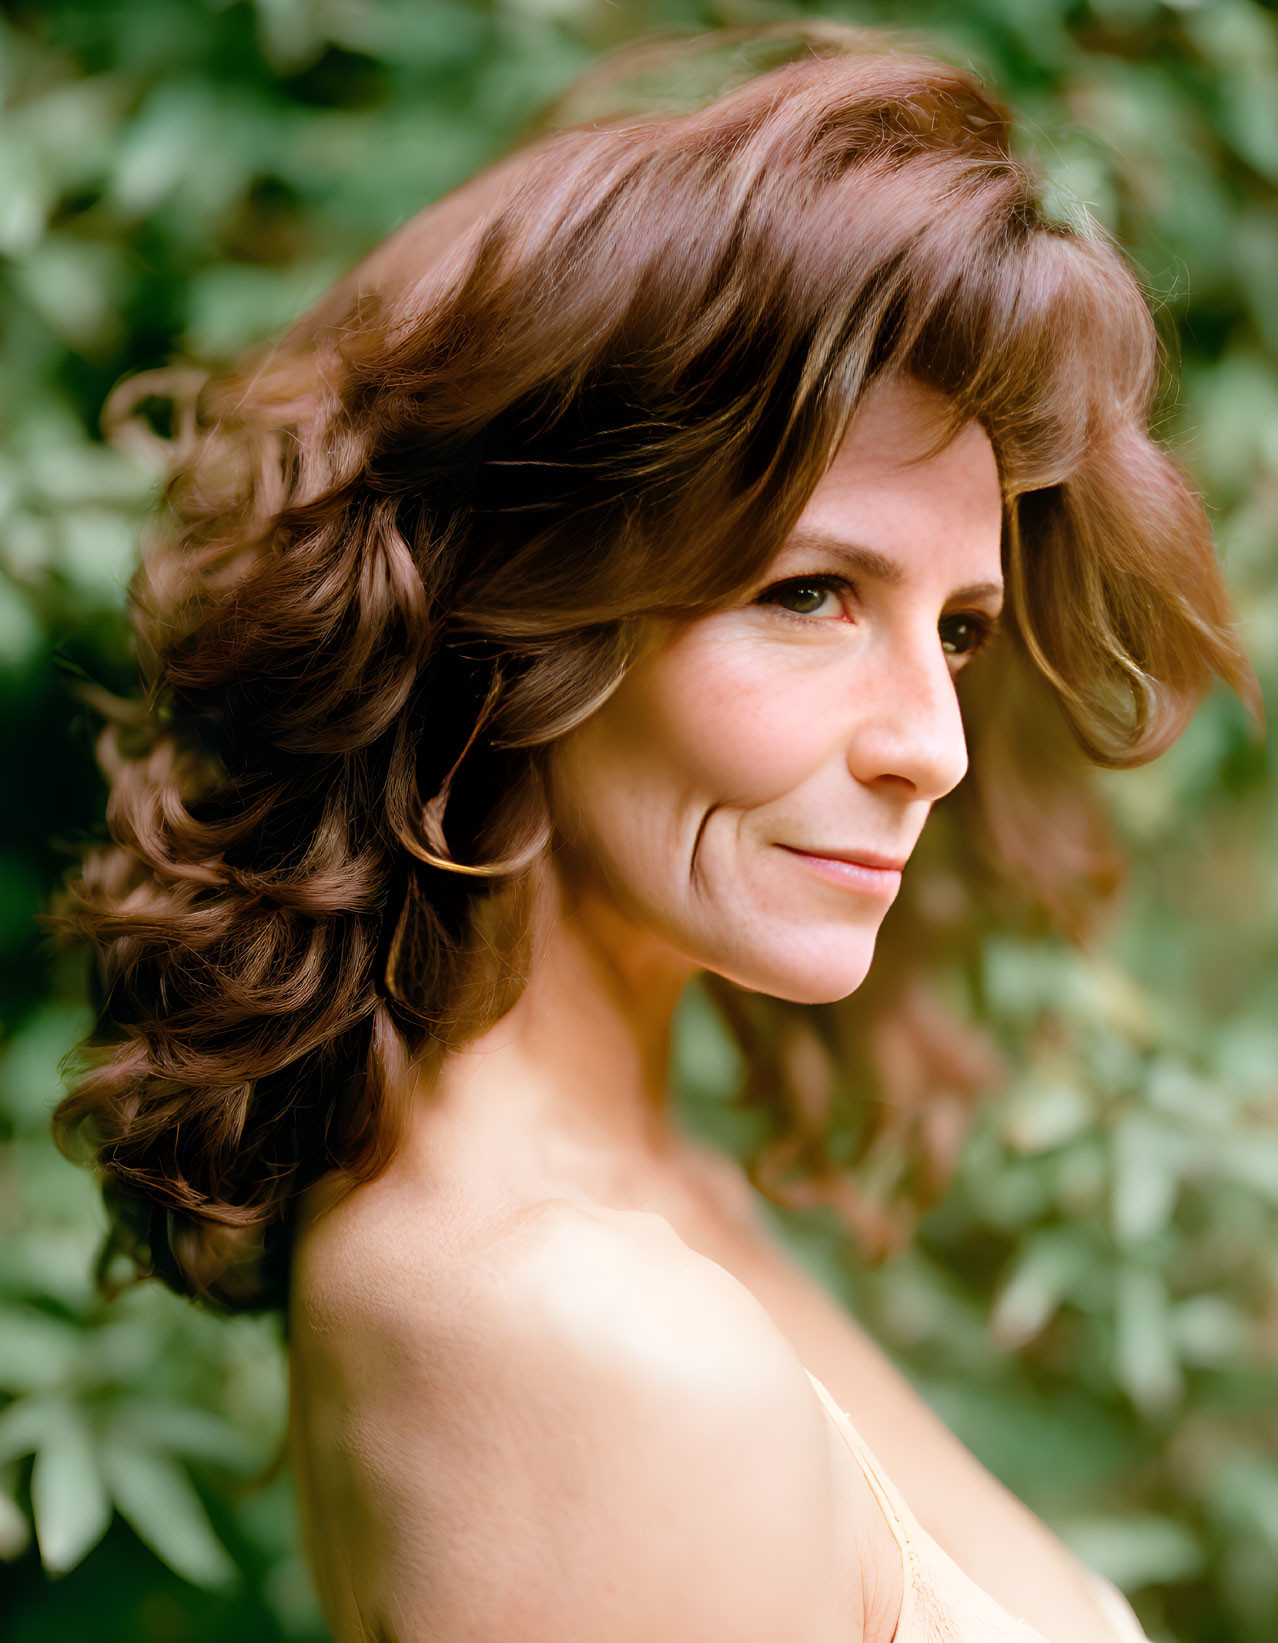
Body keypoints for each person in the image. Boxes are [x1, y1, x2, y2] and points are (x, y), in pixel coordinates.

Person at [47, 21, 1261, 1643]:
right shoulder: (582, 1335)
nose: (934, 746)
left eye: (957, 628)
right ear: (519, 616)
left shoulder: (627, 1194)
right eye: (810, 594)